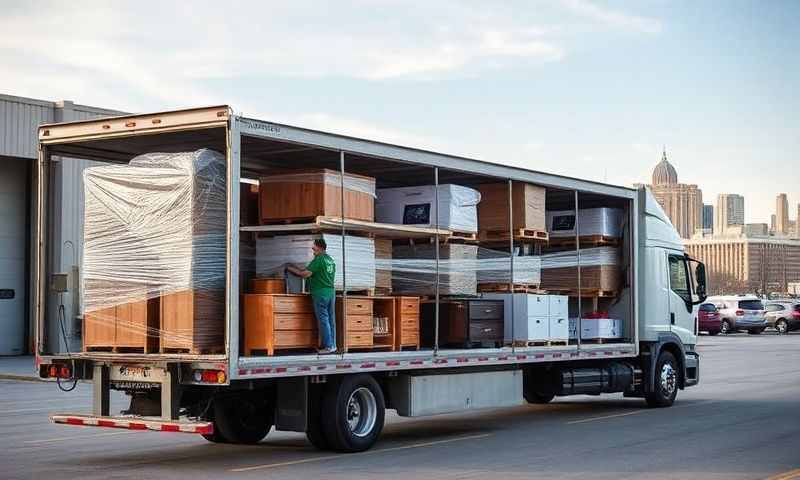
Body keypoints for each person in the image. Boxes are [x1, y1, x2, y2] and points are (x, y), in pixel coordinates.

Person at [287, 238, 337, 354]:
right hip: (330, 292)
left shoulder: (319, 260)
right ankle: (333, 345)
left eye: (314, 247)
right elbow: (313, 271)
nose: (313, 250)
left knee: (323, 320)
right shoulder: (330, 260)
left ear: (319, 248)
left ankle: (328, 347)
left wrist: (290, 269)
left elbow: (305, 274)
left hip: (320, 294)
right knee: (330, 319)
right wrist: (300, 269)